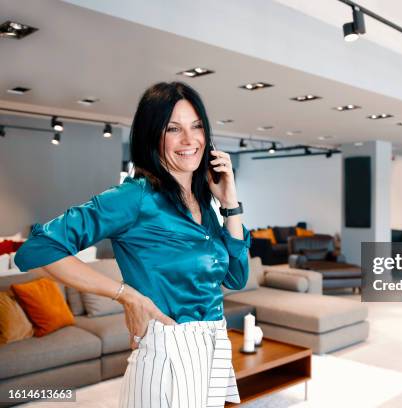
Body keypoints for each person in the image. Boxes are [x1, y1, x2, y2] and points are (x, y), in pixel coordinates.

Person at [14, 81, 250, 407]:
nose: (189, 139)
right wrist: (127, 296)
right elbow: (38, 248)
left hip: (210, 348)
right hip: (167, 353)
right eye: (173, 129)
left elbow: (236, 278)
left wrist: (230, 204)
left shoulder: (205, 201)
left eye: (196, 127)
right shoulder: (134, 197)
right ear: (153, 135)